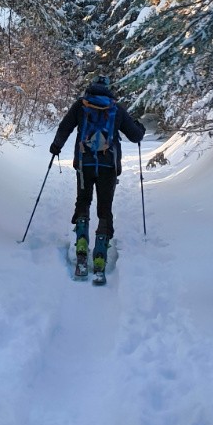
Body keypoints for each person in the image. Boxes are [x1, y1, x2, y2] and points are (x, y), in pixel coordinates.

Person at [49, 76, 145, 277]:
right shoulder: (115, 108)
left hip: (85, 164)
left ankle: (82, 244)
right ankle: (100, 254)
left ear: (90, 88)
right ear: (108, 89)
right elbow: (135, 135)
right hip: (108, 166)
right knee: (105, 208)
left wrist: (56, 146)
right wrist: (140, 128)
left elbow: (64, 127)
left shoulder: (81, 105)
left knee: (83, 201)